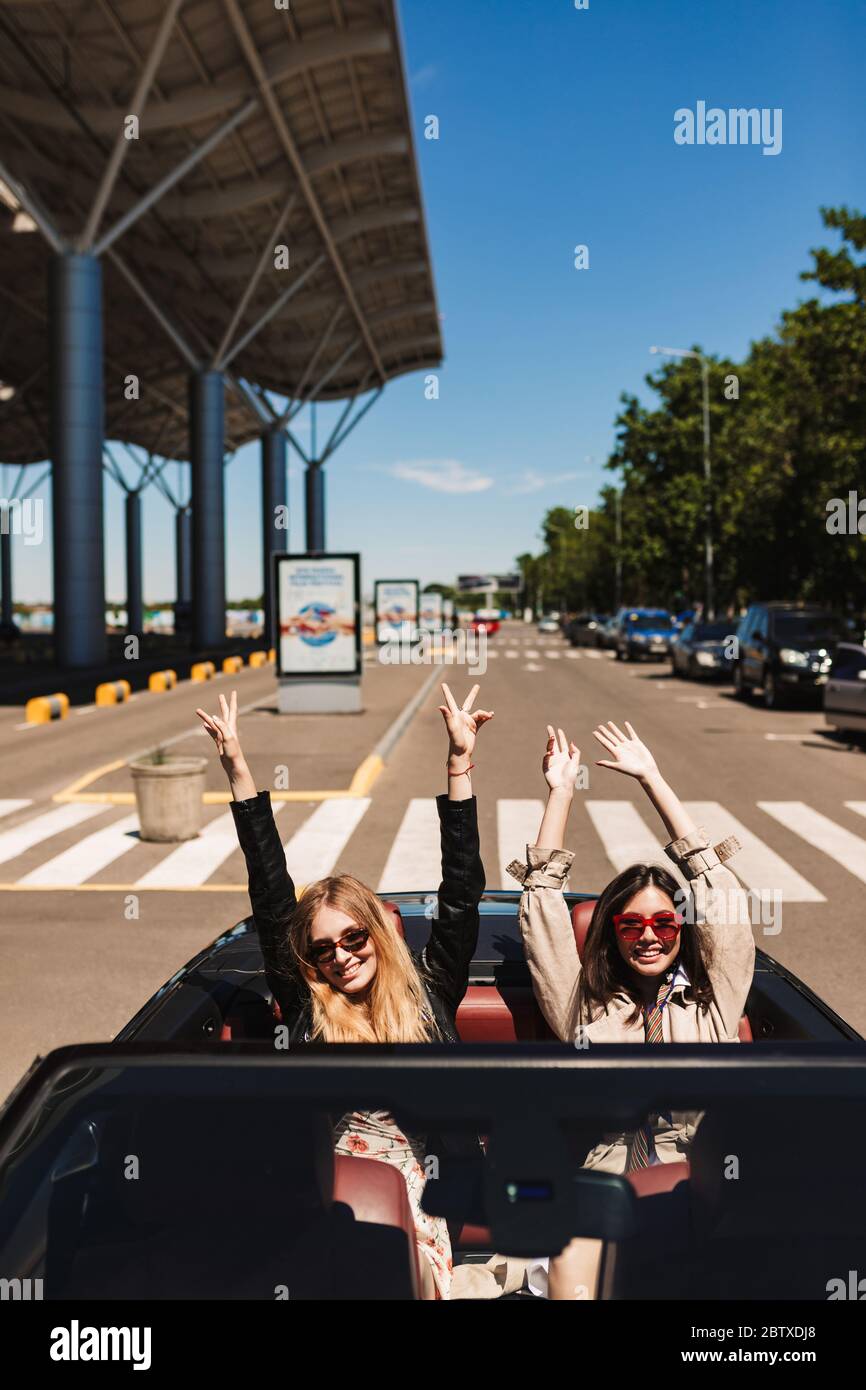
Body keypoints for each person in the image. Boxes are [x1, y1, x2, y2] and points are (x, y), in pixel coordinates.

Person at [195, 682, 492, 1300]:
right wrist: (239, 772)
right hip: (330, 1190)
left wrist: (458, 765)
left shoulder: (429, 989)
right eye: (323, 949)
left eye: (353, 938)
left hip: (419, 1188)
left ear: (377, 933)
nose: (341, 958)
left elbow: (461, 893)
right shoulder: (308, 1004)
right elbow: (270, 890)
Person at [508, 720, 755, 1299]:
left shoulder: (713, 1000)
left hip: (696, 1183)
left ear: (680, 928)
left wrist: (653, 779)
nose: (649, 936)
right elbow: (542, 906)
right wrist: (561, 792)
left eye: (664, 922)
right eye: (632, 924)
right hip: (605, 1183)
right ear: (612, 934)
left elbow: (722, 893)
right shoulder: (586, 1011)